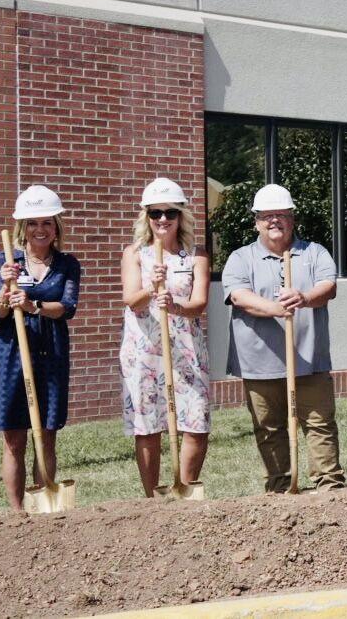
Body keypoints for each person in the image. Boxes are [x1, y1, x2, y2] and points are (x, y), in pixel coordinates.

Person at [221, 184, 347, 492]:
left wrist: (302, 297)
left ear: (292, 219)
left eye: (281, 215)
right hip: (259, 361)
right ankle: (279, 488)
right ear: (256, 221)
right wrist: (278, 308)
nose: (274, 221)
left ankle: (329, 486)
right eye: (267, 216)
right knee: (269, 429)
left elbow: (328, 288)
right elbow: (240, 298)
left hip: (308, 358)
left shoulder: (314, 252)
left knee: (320, 424)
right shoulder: (241, 258)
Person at [0, 185, 81, 511]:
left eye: (47, 223)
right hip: (13, 353)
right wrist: (4, 292)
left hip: (51, 352)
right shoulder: (5, 261)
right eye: (33, 223)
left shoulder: (68, 264)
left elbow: (67, 307)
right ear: (22, 227)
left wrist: (33, 304)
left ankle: (45, 503)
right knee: (14, 437)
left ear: (56, 227)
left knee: (47, 432)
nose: (40, 230)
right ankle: (17, 513)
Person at [119, 178, 211, 497]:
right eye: (155, 213)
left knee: (196, 422)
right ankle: (152, 499)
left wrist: (174, 304)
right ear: (146, 216)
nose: (162, 220)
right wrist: (151, 285)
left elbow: (199, 303)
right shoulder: (134, 254)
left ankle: (183, 491)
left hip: (186, 349)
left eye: (169, 213)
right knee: (147, 427)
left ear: (181, 216)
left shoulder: (196, 256)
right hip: (144, 352)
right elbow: (132, 300)